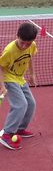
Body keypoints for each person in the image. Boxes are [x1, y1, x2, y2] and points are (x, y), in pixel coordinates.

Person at [0, 22, 38, 150]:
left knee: (31, 104)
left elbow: (30, 57)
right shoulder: (10, 50)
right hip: (9, 78)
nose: (24, 46)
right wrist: (2, 86)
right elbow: (0, 66)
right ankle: (6, 134)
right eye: (22, 42)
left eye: (28, 43)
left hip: (20, 78)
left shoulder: (31, 45)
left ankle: (20, 129)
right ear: (17, 36)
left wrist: (32, 74)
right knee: (21, 104)